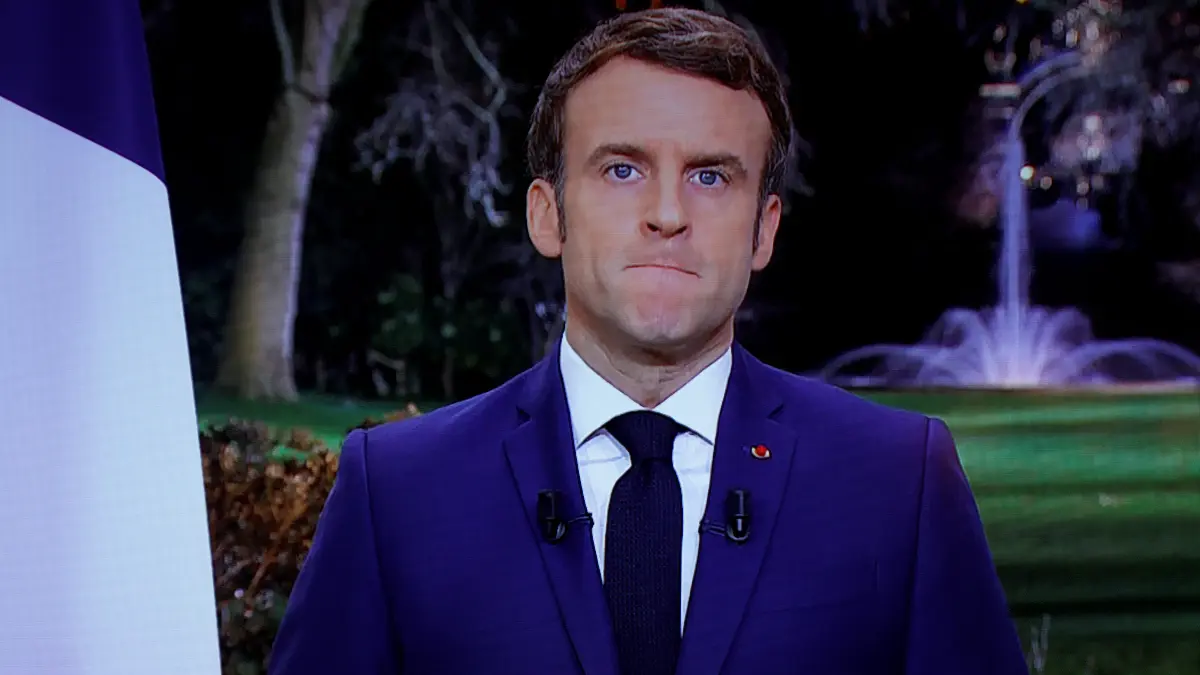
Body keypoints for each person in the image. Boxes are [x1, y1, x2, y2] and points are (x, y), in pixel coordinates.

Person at [268, 7, 1029, 675]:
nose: (668, 213)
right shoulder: (397, 492)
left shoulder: (898, 482)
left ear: (764, 229)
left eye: (710, 177)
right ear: (547, 215)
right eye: (623, 169)